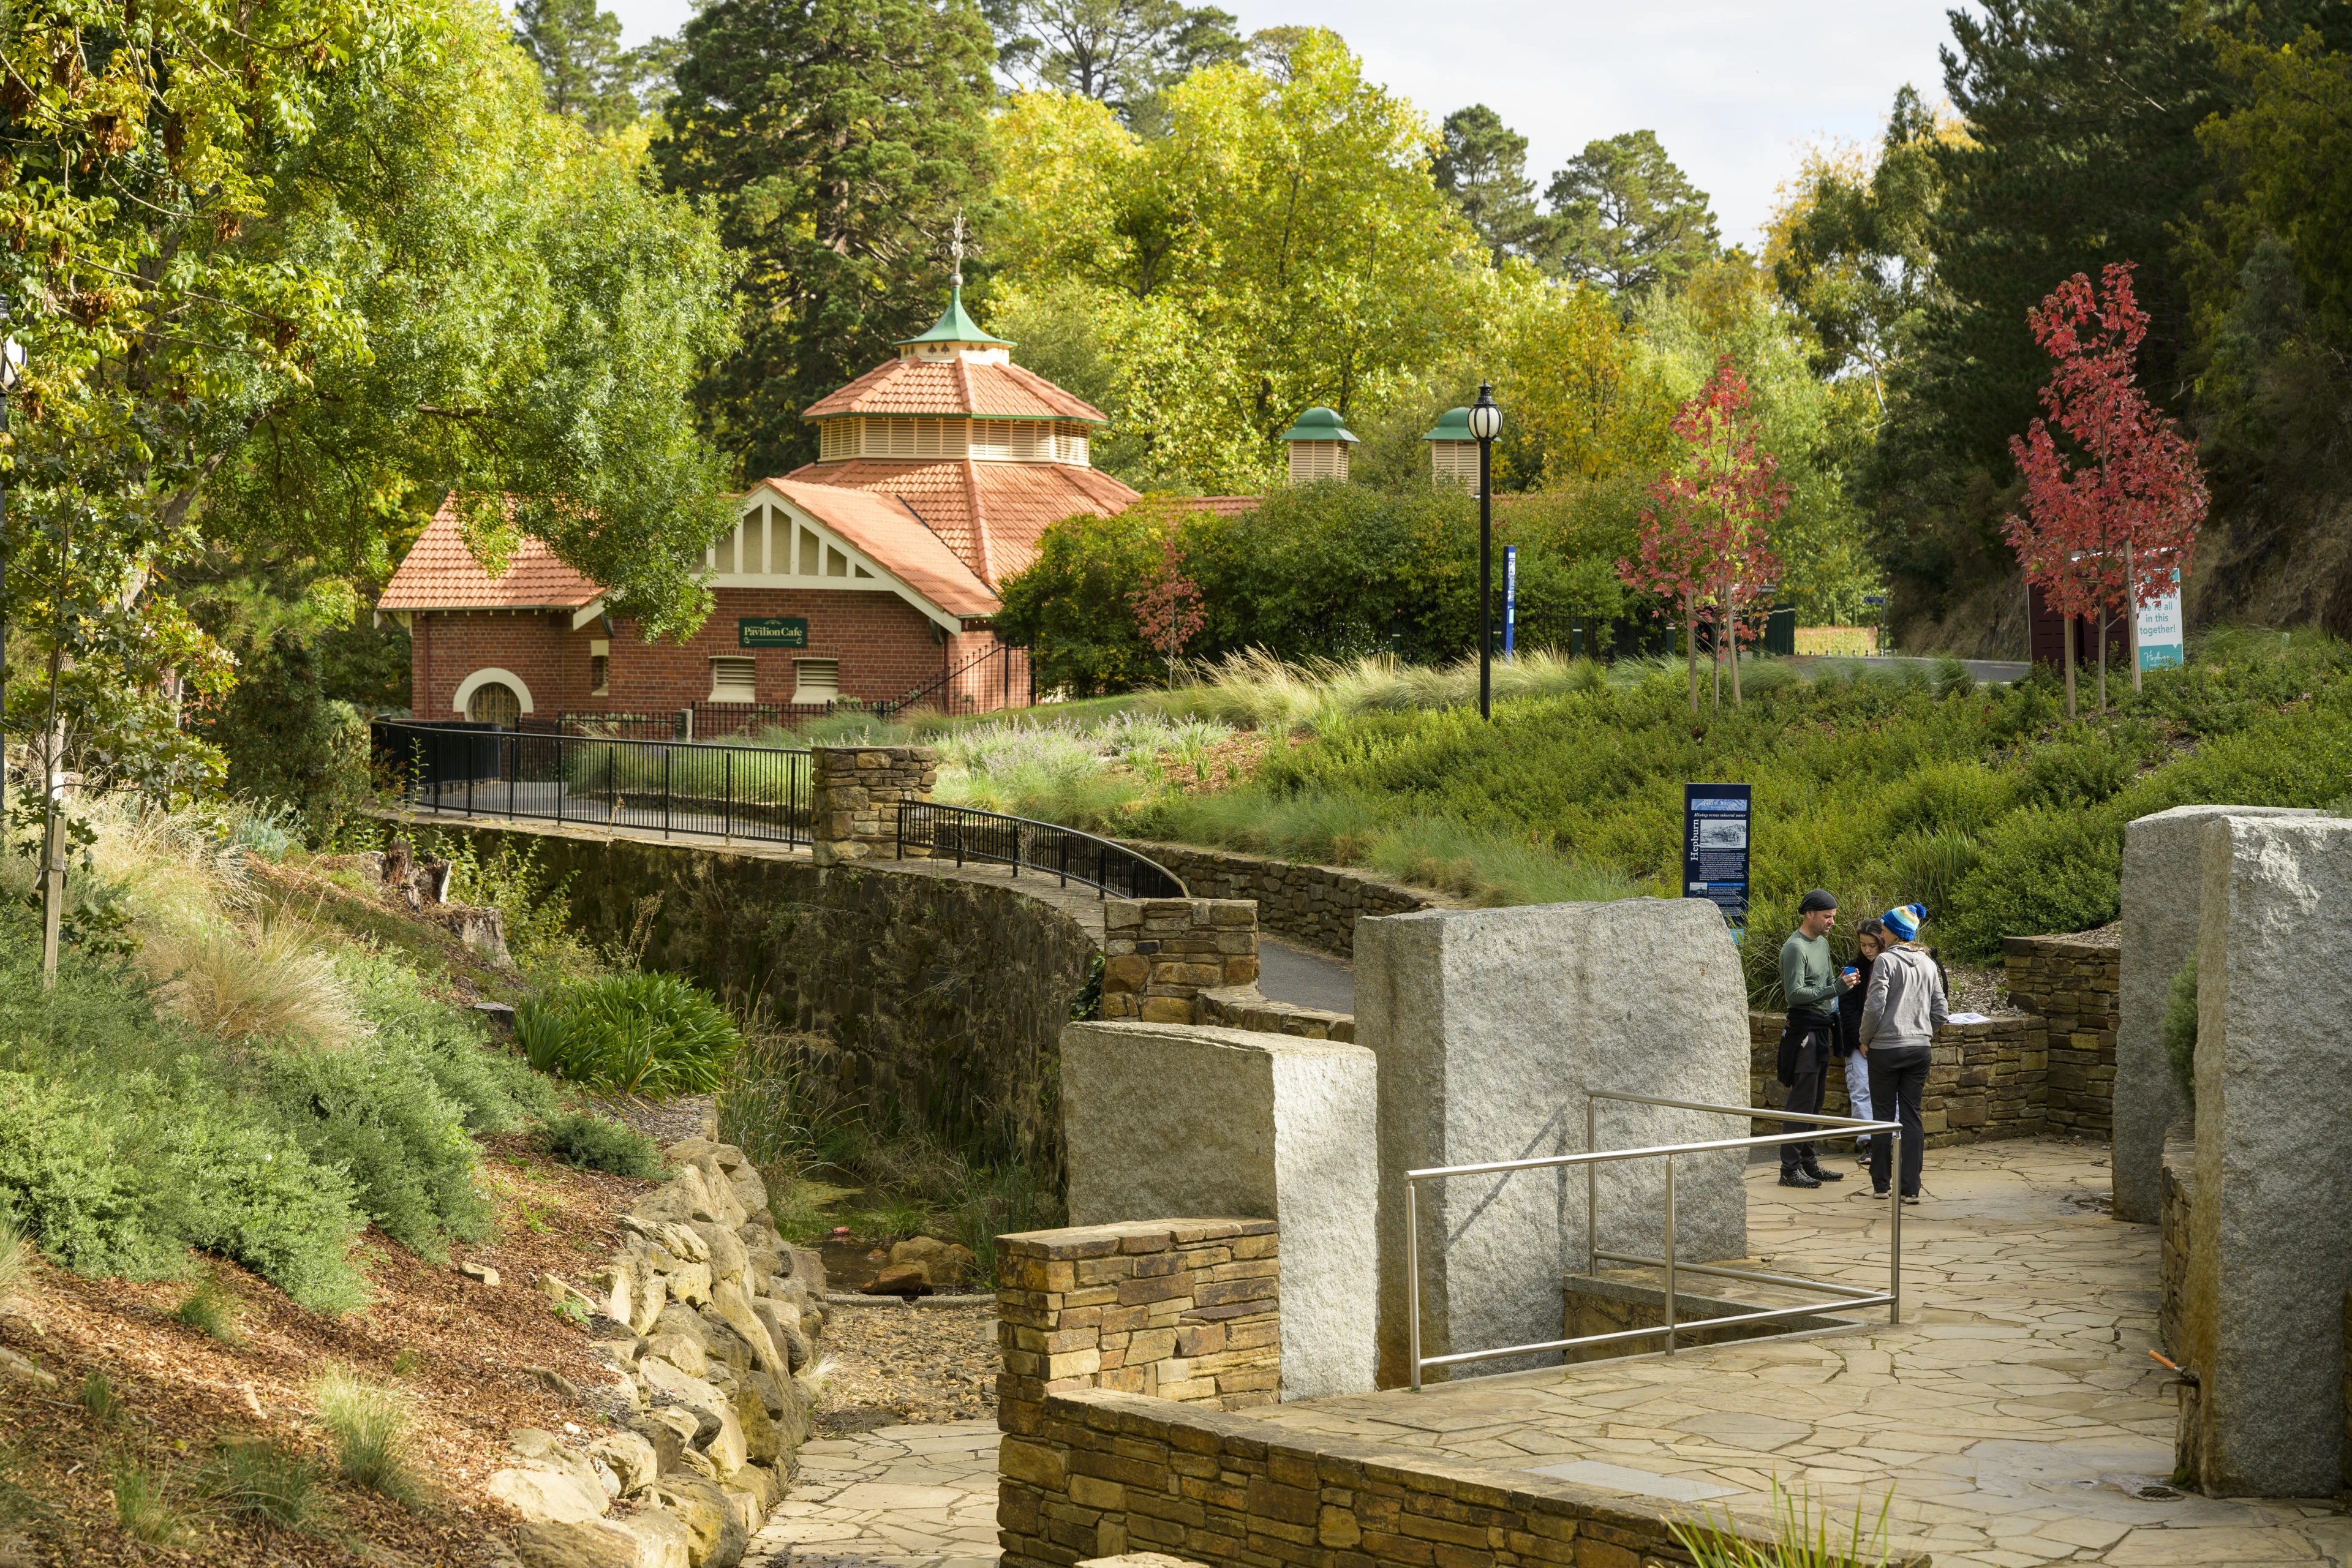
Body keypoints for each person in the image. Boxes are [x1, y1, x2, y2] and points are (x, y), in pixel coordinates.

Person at [1859, 902, 1946, 1204]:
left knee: (1883, 1117)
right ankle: (1911, 1189)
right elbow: (1941, 1011)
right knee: (1912, 1117)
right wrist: (1923, 1033)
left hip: (1885, 1049)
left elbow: (1874, 1006)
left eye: (1884, 928)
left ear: (1895, 932)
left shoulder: (1885, 961)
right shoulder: (1928, 963)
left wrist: (1865, 1038)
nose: (1880, 933)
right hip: (1919, 1049)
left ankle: (1881, 1185)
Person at [1775, 889, 1855, 1189]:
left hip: (1821, 1029)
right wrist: (1836, 989)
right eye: (1827, 916)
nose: (1832, 921)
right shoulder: (1796, 948)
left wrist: (1839, 993)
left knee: (1816, 1102)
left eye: (1833, 916)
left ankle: (1808, 1162)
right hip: (1803, 1032)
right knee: (1801, 1102)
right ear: (1809, 914)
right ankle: (1789, 1169)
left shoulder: (1822, 943)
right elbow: (1794, 994)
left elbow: (1826, 985)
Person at [1835, 919, 1887, 1166]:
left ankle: (1891, 1140)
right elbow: (1847, 1008)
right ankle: (1868, 1143)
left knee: (1890, 1093)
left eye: (1872, 945)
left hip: (1887, 1041)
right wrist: (1860, 1040)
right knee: (1861, 1089)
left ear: (1882, 942)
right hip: (1858, 1043)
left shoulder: (1891, 965)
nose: (1867, 950)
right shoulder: (1853, 969)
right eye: (1863, 945)